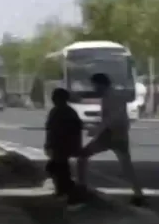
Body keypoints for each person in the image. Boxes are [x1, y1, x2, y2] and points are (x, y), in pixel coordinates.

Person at [78, 72, 146, 206]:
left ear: (101, 84)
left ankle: (81, 188)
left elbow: (111, 118)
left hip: (112, 135)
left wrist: (96, 130)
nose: (94, 88)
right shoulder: (113, 95)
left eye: (95, 85)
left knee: (83, 156)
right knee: (126, 165)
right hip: (117, 134)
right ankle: (138, 194)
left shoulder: (111, 97)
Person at [44, 87, 85, 205]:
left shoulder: (62, 112)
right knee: (59, 169)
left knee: (57, 169)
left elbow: (52, 130)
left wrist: (49, 144)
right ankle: (63, 190)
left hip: (62, 146)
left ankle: (66, 191)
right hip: (61, 146)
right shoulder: (67, 112)